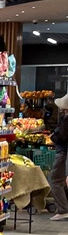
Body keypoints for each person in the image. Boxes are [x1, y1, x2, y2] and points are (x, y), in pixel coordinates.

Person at [49, 92, 68, 220]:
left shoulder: (66, 121)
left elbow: (62, 137)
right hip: (63, 152)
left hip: (62, 153)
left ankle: (63, 209)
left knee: (55, 179)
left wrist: (53, 137)